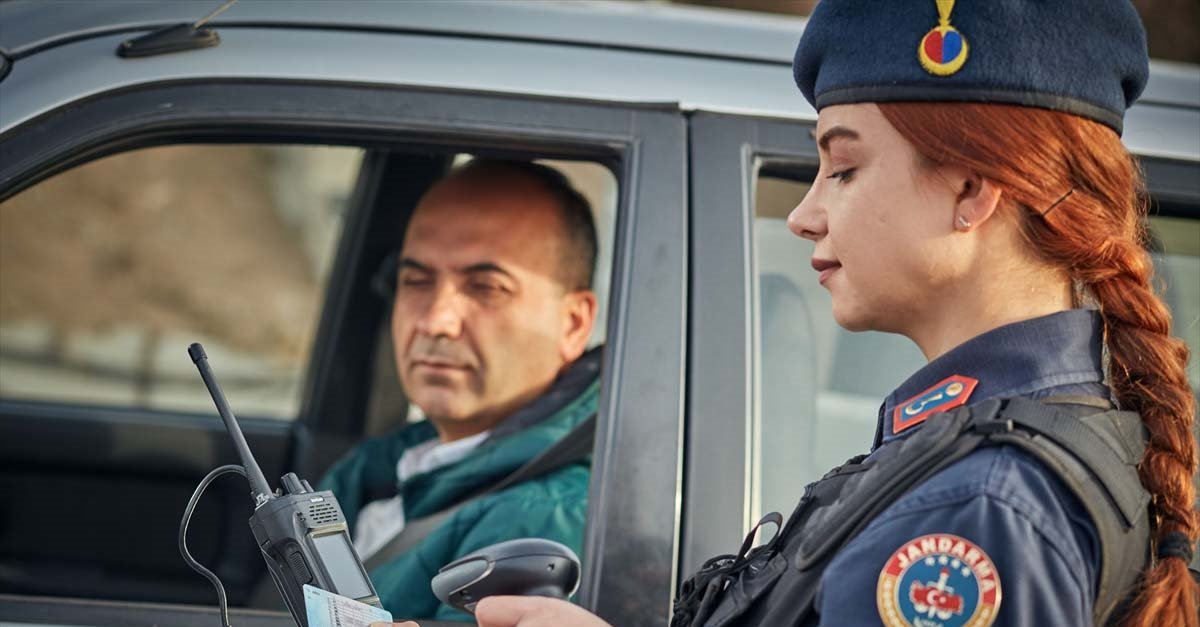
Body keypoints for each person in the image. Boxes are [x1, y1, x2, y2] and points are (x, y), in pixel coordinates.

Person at [379, 1, 1199, 626]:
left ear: (971, 188)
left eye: (842, 167)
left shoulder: (972, 513)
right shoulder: (988, 454)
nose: (805, 215)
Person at [319, 158, 601, 620]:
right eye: (416, 281)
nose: (436, 321)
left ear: (572, 324)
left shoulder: (538, 522)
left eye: (486, 287)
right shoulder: (397, 462)